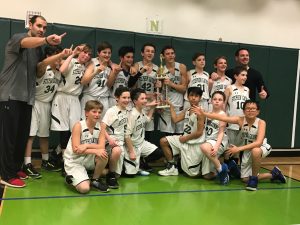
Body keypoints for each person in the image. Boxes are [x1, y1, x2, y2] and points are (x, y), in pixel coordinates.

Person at [0, 15, 65, 188]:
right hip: (11, 95)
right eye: (39, 26)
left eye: (44, 27)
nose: (42, 29)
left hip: (28, 98)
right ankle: (5, 174)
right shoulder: (18, 38)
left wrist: (62, 55)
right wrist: (45, 40)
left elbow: (39, 69)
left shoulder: (37, 50)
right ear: (30, 24)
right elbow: (26, 43)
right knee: (9, 138)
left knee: (21, 137)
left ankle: (15, 168)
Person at [195, 99, 286, 191]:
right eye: (248, 109)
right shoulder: (240, 119)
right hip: (247, 149)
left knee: (255, 151)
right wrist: (204, 113)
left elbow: (258, 143)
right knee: (245, 179)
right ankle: (274, 174)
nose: (250, 110)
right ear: (243, 111)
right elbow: (221, 118)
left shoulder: (261, 122)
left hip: (262, 147)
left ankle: (254, 179)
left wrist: (238, 149)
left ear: (258, 111)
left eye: (253, 109)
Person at [22, 45, 72, 179]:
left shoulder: (58, 71)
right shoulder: (42, 67)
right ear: (49, 56)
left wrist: (69, 55)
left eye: (60, 58)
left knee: (44, 135)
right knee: (31, 135)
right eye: (56, 57)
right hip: (34, 103)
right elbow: (42, 66)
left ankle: (45, 161)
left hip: (47, 104)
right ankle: (27, 164)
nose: (58, 60)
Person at [50, 44, 92, 164]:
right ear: (79, 52)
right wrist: (73, 54)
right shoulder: (72, 60)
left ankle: (58, 152)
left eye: (89, 54)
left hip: (75, 98)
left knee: (74, 130)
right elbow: (62, 70)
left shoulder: (87, 67)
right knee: (63, 130)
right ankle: (65, 161)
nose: (86, 55)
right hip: (62, 96)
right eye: (84, 52)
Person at [158, 87, 206, 177]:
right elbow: (175, 119)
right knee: (163, 141)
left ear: (200, 98)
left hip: (194, 143)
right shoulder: (187, 110)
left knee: (192, 174)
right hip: (184, 140)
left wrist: (185, 138)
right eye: (191, 95)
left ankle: (201, 165)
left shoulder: (201, 112)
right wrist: (171, 106)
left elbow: (199, 132)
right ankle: (172, 167)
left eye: (196, 96)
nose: (193, 98)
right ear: (187, 97)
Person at [64, 100, 109, 193]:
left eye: (99, 112)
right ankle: (69, 178)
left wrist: (86, 145)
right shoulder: (78, 126)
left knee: (103, 154)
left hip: (88, 157)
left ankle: (95, 180)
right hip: (74, 160)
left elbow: (101, 146)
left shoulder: (101, 127)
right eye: (94, 111)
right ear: (86, 113)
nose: (97, 114)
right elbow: (76, 149)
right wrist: (95, 150)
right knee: (84, 189)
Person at [124, 88, 163, 176]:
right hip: (132, 146)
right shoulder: (132, 114)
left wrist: (152, 108)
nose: (145, 101)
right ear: (134, 101)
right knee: (130, 174)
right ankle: (127, 162)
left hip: (141, 143)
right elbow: (126, 135)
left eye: (145, 98)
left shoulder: (141, 111)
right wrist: (131, 151)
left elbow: (148, 119)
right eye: (142, 99)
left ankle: (140, 161)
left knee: (159, 153)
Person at [98, 86, 130, 188]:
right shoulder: (112, 111)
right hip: (110, 141)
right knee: (117, 151)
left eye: (128, 98)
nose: (127, 100)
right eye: (124, 97)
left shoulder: (127, 111)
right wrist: (109, 139)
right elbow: (102, 127)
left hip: (122, 141)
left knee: (127, 172)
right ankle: (110, 176)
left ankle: (103, 172)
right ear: (117, 98)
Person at [80, 41, 121, 118]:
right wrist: (96, 71)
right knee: (86, 125)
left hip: (103, 99)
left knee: (101, 126)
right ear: (98, 53)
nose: (107, 55)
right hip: (90, 97)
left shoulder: (110, 66)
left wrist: (114, 73)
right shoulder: (92, 62)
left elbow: (109, 85)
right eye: (104, 52)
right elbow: (84, 81)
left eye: (109, 53)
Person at [129, 43, 158, 141]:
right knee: (136, 128)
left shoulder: (157, 68)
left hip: (150, 102)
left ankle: (146, 155)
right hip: (138, 101)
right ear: (142, 53)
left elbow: (157, 89)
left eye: (152, 51)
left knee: (148, 128)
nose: (150, 53)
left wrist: (159, 86)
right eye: (147, 51)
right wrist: (140, 71)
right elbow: (132, 85)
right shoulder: (137, 65)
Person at [200, 91, 230, 184]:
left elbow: (221, 132)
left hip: (219, 141)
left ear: (223, 102)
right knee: (207, 176)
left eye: (220, 100)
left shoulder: (223, 115)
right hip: (208, 141)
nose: (217, 101)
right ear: (211, 101)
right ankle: (228, 168)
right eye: (215, 99)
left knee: (203, 147)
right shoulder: (208, 113)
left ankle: (221, 170)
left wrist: (216, 147)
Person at [157, 45, 187, 135]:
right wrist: (159, 85)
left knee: (178, 137)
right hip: (166, 107)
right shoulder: (161, 70)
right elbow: (160, 90)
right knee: (166, 137)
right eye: (167, 54)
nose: (170, 55)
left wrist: (171, 84)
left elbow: (184, 89)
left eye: (172, 53)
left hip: (179, 107)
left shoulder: (181, 67)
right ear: (163, 56)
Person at [224, 66, 249, 149]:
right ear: (235, 76)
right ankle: (227, 162)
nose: (245, 77)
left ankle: (237, 162)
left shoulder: (247, 89)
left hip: (243, 121)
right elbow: (223, 105)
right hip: (232, 121)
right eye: (242, 75)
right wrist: (224, 119)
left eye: (246, 75)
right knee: (230, 146)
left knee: (240, 146)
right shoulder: (229, 88)